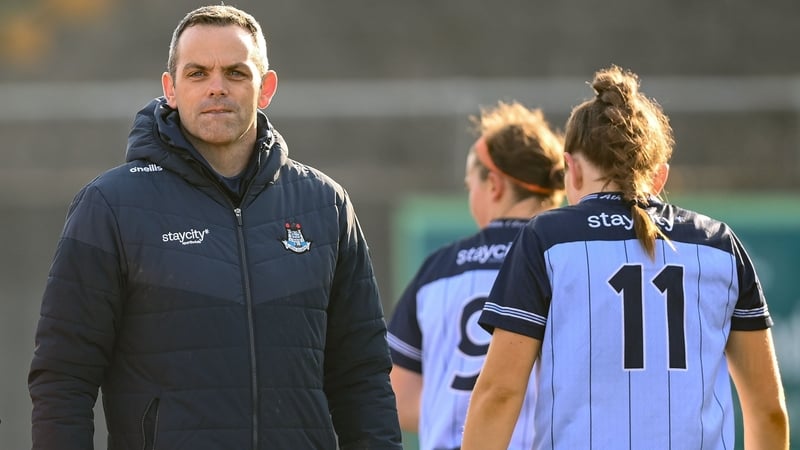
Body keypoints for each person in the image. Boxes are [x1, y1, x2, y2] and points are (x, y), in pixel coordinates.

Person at [28, 5, 402, 449]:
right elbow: (63, 377)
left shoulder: (325, 205)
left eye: (236, 73)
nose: (217, 88)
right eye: (198, 73)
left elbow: (362, 375)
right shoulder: (111, 205)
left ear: (266, 88)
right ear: (170, 88)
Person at [461, 65, 790, 450]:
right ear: (659, 177)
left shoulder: (546, 239)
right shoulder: (718, 244)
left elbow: (499, 393)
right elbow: (768, 412)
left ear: (570, 169)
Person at [388, 101, 565, 449]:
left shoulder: (437, 270)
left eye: (472, 185)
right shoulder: (566, 266)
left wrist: (455, 409)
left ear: (494, 185)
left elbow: (399, 396)